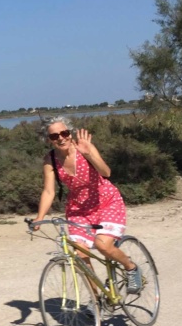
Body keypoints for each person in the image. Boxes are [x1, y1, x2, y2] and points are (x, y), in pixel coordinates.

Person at [30, 117, 142, 293]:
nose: (61, 138)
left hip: (106, 202)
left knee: (103, 245)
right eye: (54, 136)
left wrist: (88, 153)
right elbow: (49, 191)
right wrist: (40, 217)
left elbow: (106, 172)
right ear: (48, 140)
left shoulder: (84, 148)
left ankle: (131, 268)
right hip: (79, 210)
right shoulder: (50, 160)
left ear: (70, 133)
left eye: (64, 133)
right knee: (80, 255)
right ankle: (97, 300)